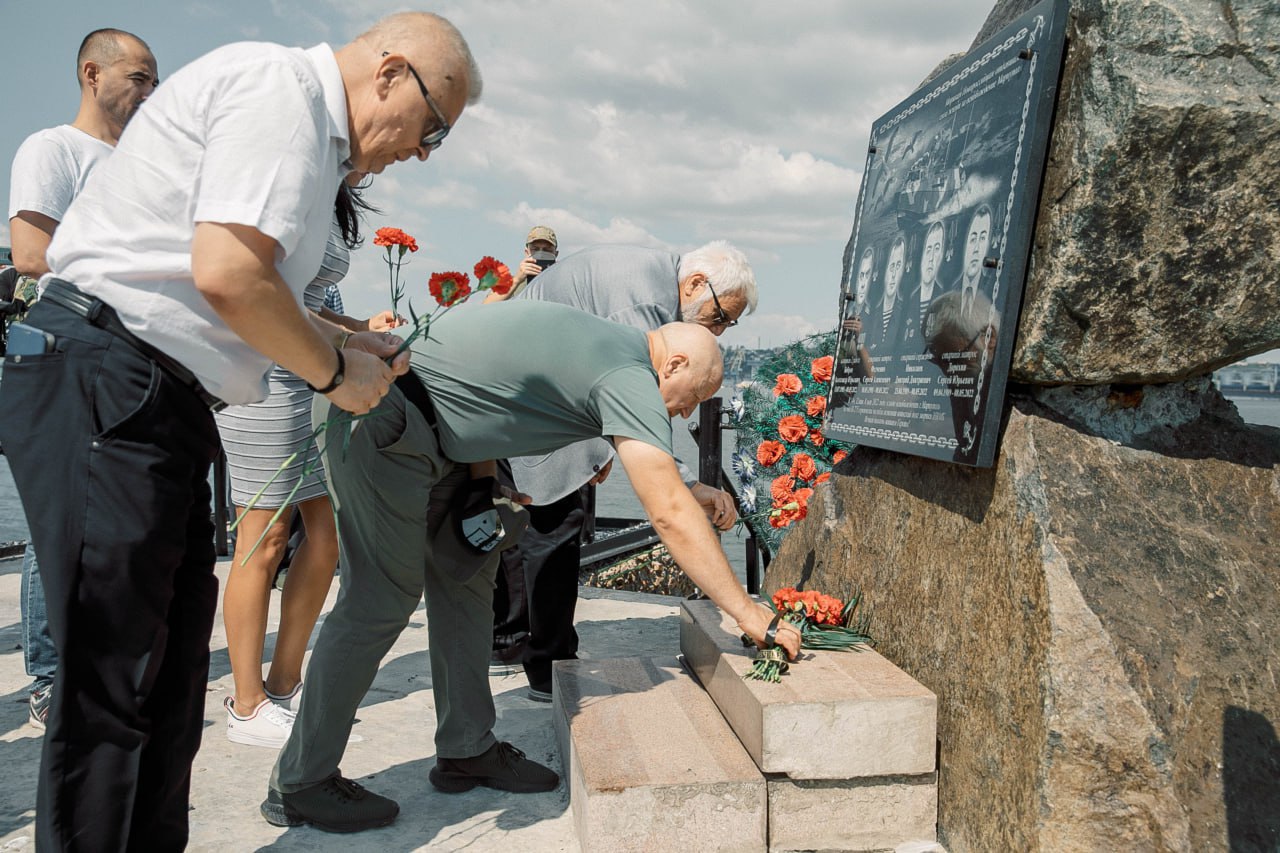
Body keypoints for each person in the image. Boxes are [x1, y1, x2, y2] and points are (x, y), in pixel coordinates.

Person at [0, 12, 479, 849]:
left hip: (157, 395)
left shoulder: (303, 121)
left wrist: (342, 338)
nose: (422, 152)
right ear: (392, 73)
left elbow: (231, 279)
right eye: (433, 128)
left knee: (170, 680)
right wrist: (335, 375)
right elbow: (226, 273)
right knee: (115, 687)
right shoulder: (282, 93)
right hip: (113, 377)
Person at [266, 303, 801, 833]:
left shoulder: (609, 346)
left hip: (438, 430)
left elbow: (479, 390)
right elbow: (667, 510)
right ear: (676, 365)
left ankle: (466, 748)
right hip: (381, 406)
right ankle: (302, 781)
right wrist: (749, 615)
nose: (687, 414)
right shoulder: (628, 373)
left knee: (468, 576)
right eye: (697, 399)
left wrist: (483, 482)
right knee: (381, 597)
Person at [489, 241, 756, 700]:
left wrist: (604, 449)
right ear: (695, 284)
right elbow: (639, 407)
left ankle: (509, 640)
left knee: (523, 517)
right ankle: (548, 665)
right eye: (718, 318)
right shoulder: (646, 302)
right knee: (556, 522)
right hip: (531, 394)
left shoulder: (652, 278)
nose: (719, 331)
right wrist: (687, 484)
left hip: (524, 389)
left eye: (727, 324)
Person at [5, 28, 158, 731]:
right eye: (140, 77)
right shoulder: (53, 149)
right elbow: (32, 252)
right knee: (54, 522)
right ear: (92, 74)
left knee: (113, 522)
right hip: (67, 353)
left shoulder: (144, 165)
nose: (150, 92)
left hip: (130, 358)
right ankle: (48, 676)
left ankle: (102, 662)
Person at [216, 182, 399, 749]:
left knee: (327, 534)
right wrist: (353, 339)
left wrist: (362, 335)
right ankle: (246, 707)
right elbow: (253, 285)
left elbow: (308, 301)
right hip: (261, 375)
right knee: (263, 537)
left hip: (313, 369)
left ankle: (285, 683)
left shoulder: (329, 183)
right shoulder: (282, 177)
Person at [483, 224, 558, 303]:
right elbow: (486, 306)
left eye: (547, 250)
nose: (541, 254)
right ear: (527, 252)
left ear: (555, 254)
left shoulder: (562, 281)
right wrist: (516, 280)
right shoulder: (514, 282)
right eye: (535, 249)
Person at [902, 219, 946, 348]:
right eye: (928, 249)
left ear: (942, 254)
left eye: (937, 249)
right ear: (922, 255)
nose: (931, 258)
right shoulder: (908, 300)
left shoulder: (944, 299)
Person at [865, 234, 906, 357]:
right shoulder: (870, 314)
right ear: (885, 271)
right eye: (891, 266)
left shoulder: (904, 312)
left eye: (898, 266)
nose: (893, 274)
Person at [954, 203, 993, 322]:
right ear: (964, 245)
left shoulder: (991, 291)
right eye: (973, 239)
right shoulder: (949, 291)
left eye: (982, 239)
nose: (976, 249)